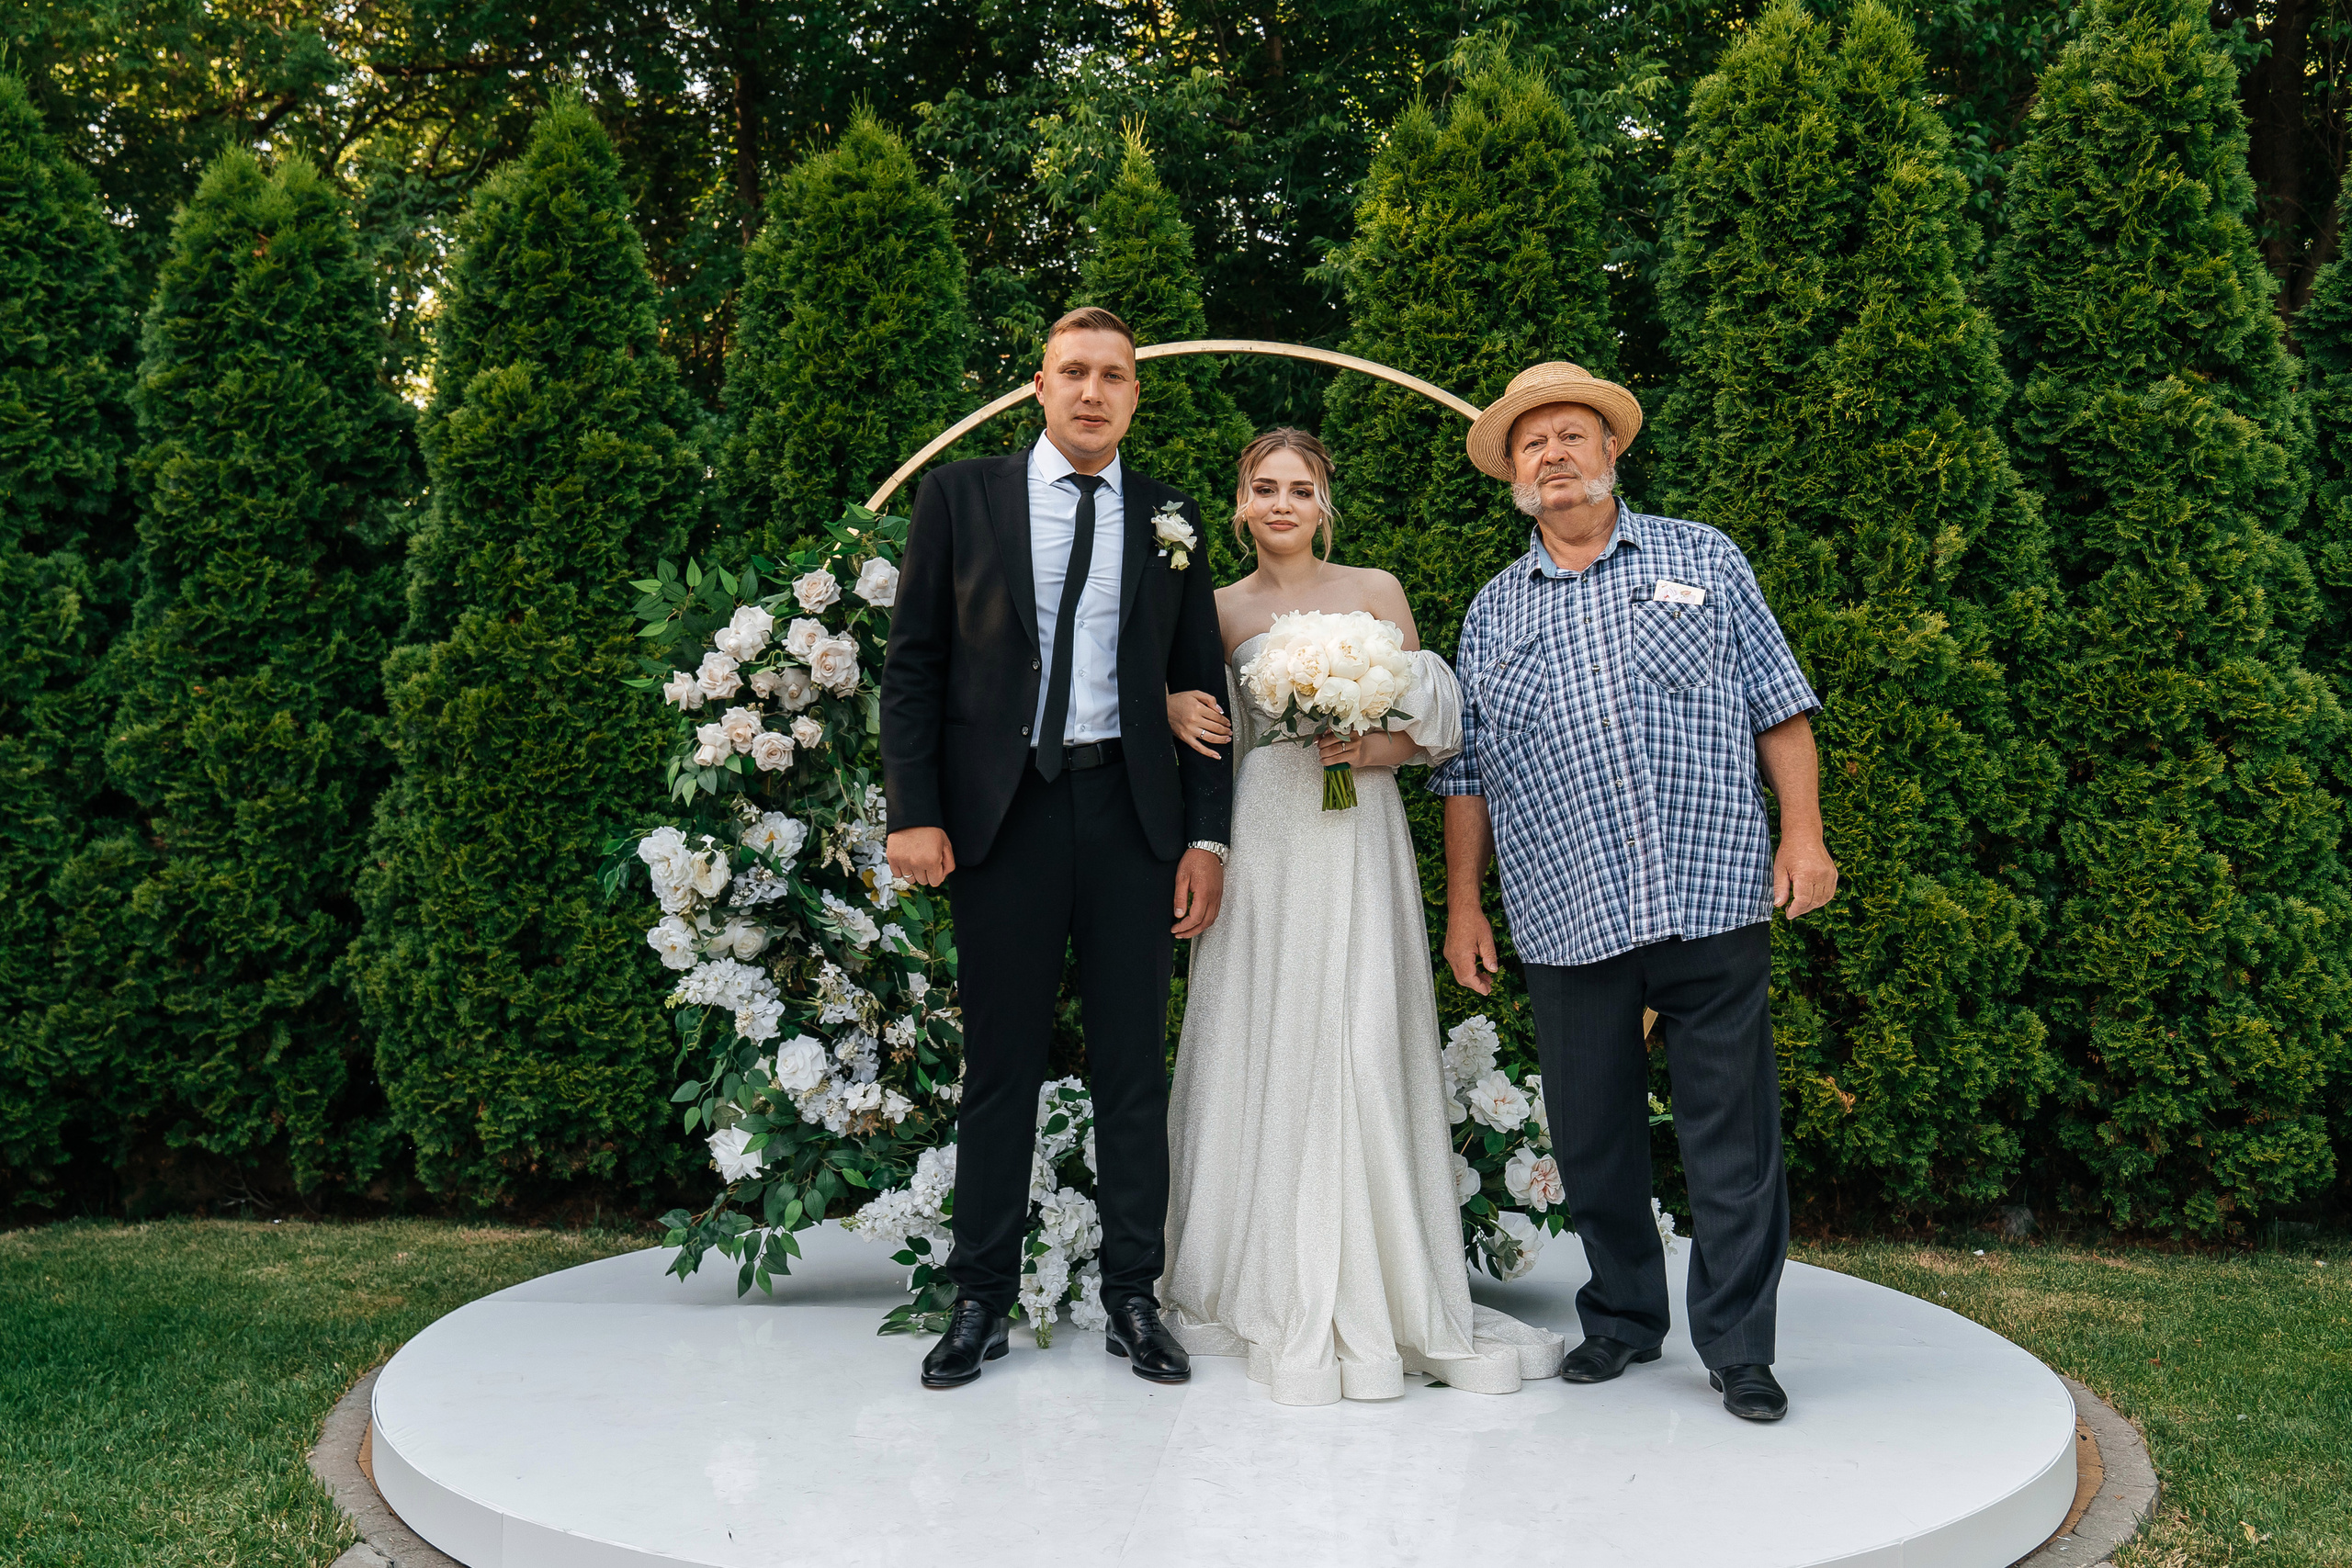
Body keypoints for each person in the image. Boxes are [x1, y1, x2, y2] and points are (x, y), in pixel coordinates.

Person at [1435, 362, 1838, 1424]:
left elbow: (1779, 704)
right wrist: (1465, 905)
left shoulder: (1702, 558)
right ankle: (1620, 1315)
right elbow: (1467, 771)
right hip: (1566, 908)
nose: (1553, 454)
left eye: (1573, 434)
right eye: (1532, 443)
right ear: (1512, 475)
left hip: (1707, 891)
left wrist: (1803, 834)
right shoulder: (1491, 611)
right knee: (1592, 1137)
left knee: (1731, 1136)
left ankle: (1740, 1348)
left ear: (1613, 453)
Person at [1155, 429, 1565, 1405]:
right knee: (1275, 1026)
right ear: (1242, 504)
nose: (1284, 503)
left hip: (1362, 826)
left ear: (1324, 504)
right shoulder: (1214, 611)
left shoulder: (1376, 590)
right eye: (1265, 488)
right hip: (1270, 829)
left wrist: (1379, 744)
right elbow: (1207, 733)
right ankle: (1260, 1270)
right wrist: (1177, 706)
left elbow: (1436, 725)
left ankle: (1385, 1273)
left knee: (1364, 1024)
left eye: (1301, 488)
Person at [881, 307, 1233, 1390]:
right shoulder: (962, 496)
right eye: (1073, 373)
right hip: (1002, 821)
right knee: (1000, 1069)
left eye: (1114, 377)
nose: (1093, 392)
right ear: (1037, 386)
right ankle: (978, 1298)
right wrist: (913, 810)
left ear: (1134, 395)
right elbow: (916, 666)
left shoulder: (1169, 514)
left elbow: (1196, 684)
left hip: (1130, 819)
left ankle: (1136, 1297)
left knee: (1134, 1070)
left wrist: (1206, 835)